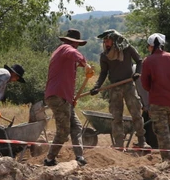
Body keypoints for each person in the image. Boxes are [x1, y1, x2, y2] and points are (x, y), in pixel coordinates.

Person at [88, 30, 145, 150]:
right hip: (114, 87)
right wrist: (97, 86)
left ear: (115, 41)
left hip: (129, 85)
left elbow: (139, 61)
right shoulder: (104, 56)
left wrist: (137, 73)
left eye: (107, 40)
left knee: (136, 113)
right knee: (116, 117)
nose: (106, 43)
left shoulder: (128, 49)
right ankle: (119, 145)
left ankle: (141, 141)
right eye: (104, 41)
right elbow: (103, 73)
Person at [43, 28, 93, 166]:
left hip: (64, 97)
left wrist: (71, 100)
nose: (76, 46)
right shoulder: (65, 48)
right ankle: (49, 159)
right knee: (63, 131)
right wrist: (85, 63)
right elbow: (73, 53)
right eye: (76, 43)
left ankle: (79, 157)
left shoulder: (65, 55)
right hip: (58, 96)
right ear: (73, 42)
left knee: (76, 126)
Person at [139, 32, 170, 161]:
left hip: (158, 101)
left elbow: (145, 84)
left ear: (151, 46)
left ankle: (168, 160)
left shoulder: (148, 61)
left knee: (162, 132)